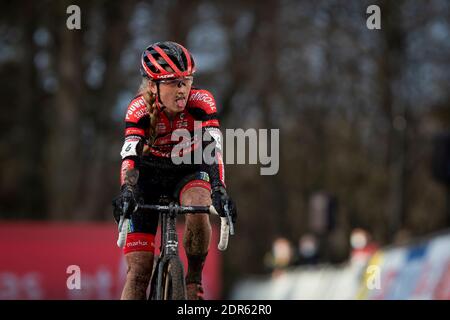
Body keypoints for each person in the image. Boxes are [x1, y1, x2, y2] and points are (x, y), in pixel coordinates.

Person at [112, 41, 237, 300]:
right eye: (172, 82)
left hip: (186, 170)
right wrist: (127, 190)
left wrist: (219, 189)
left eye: (186, 80)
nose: (182, 90)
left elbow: (213, 148)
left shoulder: (201, 101)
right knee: (138, 273)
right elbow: (130, 155)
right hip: (147, 177)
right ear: (152, 85)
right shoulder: (139, 109)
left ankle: (193, 282)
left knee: (200, 206)